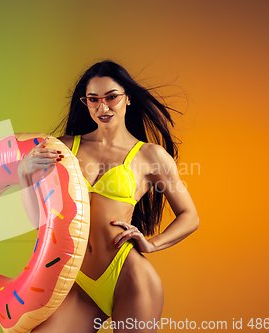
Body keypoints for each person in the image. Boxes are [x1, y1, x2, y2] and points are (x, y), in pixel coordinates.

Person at [18, 60, 199, 333]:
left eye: (111, 97)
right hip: (76, 279)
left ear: (127, 99)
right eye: (93, 99)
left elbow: (190, 216)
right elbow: (40, 224)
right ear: (86, 102)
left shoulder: (150, 156)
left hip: (128, 277)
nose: (103, 107)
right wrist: (24, 176)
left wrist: (151, 244)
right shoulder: (64, 148)